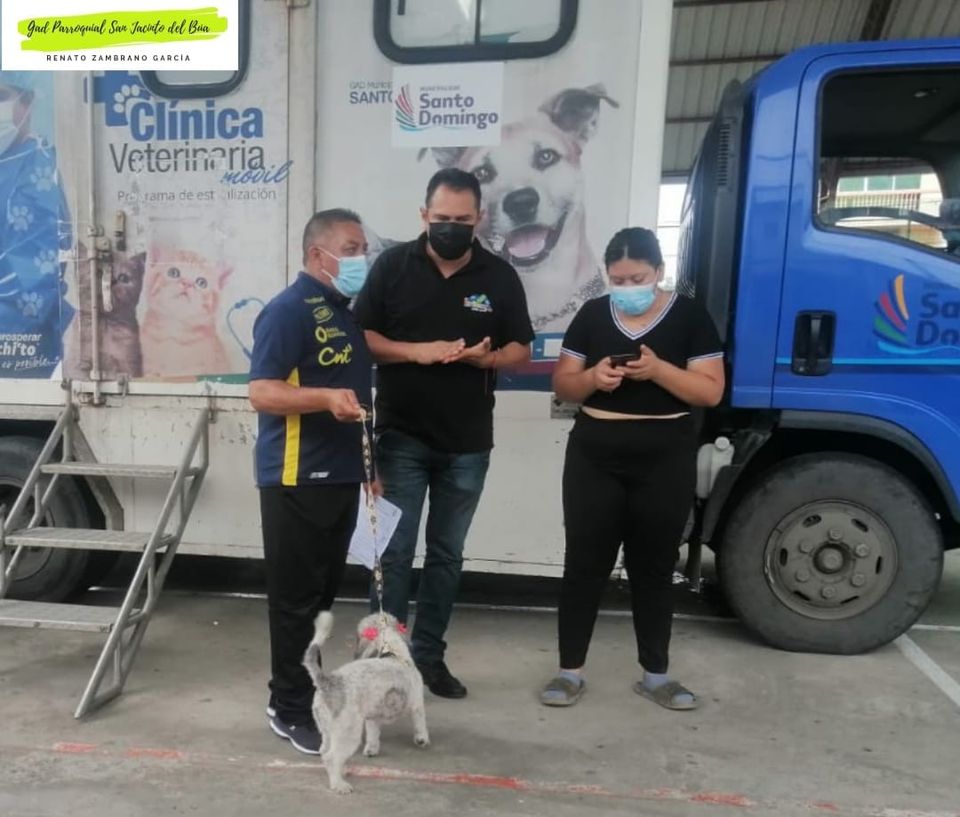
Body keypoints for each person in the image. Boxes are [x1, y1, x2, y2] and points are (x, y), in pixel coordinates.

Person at [353, 168, 534, 699]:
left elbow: (521, 349)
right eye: (442, 218)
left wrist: (487, 359)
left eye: (462, 219)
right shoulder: (392, 266)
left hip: (468, 443)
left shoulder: (499, 276)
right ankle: (384, 663)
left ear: (480, 218)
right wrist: (418, 352)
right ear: (424, 215)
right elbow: (361, 337)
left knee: (447, 556)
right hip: (401, 437)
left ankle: (428, 659)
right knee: (392, 555)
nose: (451, 227)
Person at [540, 227, 724, 710]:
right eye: (618, 280)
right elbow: (563, 385)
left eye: (637, 278)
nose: (627, 288)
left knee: (654, 567)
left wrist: (659, 370)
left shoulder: (689, 317)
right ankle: (569, 672)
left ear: (659, 271)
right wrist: (592, 379)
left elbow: (710, 391)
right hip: (594, 457)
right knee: (584, 564)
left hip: (665, 459)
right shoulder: (592, 315)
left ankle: (656, 675)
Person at [248, 209, 374, 754]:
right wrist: (322, 399)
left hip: (342, 475)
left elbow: (359, 398)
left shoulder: (345, 315)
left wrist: (371, 472)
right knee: (294, 603)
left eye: (363, 249)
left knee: (320, 600)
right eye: (351, 249)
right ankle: (288, 708)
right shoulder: (286, 311)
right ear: (317, 254)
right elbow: (261, 391)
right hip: (296, 476)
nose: (361, 258)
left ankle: (307, 692)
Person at [0, 70, 74, 378]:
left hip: (20, 350)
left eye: (1, 96)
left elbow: (34, 280)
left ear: (27, 101)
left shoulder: (39, 171)